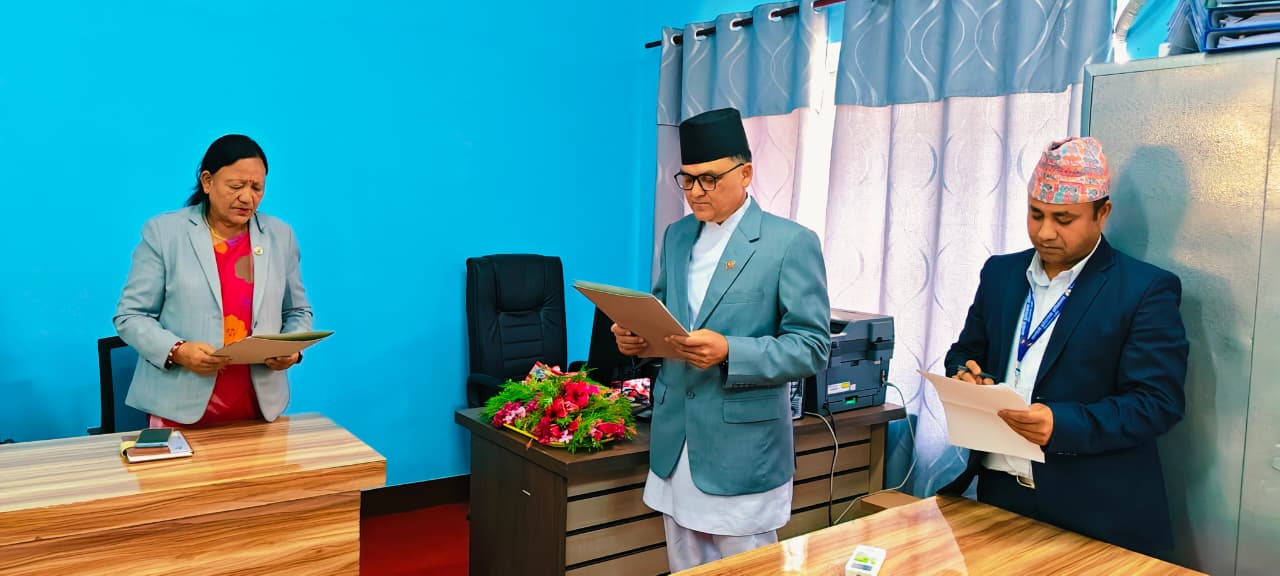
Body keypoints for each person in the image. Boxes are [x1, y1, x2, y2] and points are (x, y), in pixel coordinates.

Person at [938, 137, 1188, 556]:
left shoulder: (1144, 290)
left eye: (1064, 219)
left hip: (1095, 513)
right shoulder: (1000, 274)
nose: (1045, 232)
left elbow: (1157, 403)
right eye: (1035, 214)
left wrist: (1062, 425)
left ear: (1102, 214)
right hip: (1000, 497)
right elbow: (964, 352)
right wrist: (965, 374)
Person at [612, 107, 830, 571]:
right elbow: (666, 317)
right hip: (677, 439)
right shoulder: (676, 236)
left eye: (709, 179)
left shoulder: (789, 243)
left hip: (742, 446)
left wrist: (731, 351)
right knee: (685, 563)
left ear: (745, 173)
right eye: (687, 179)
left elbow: (812, 346)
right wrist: (638, 339)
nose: (695, 192)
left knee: (746, 566)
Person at [115, 134, 312, 427]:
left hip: (259, 409)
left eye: (257, 188)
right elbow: (130, 316)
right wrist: (178, 350)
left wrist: (291, 351)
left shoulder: (280, 236)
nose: (247, 197)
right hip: (178, 408)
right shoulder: (164, 233)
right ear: (207, 182)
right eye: (236, 186)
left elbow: (297, 311)